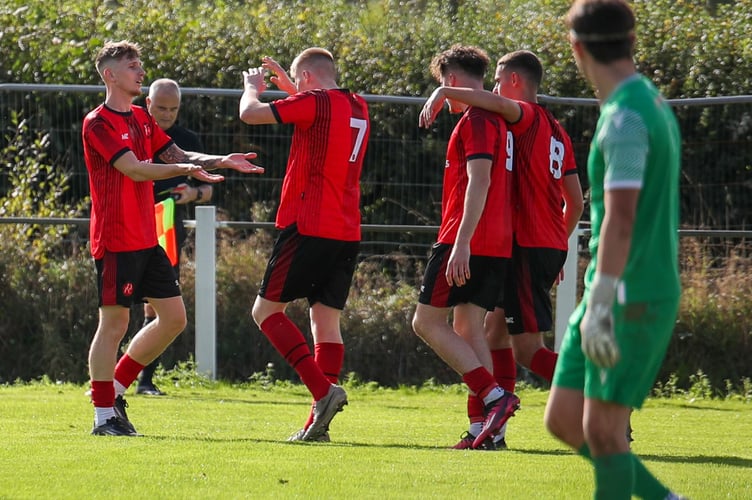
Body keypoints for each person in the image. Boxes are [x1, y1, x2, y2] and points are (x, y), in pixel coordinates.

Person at [83, 40, 264, 436]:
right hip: (116, 240)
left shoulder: (141, 119)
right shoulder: (97, 122)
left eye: (140, 64)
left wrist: (219, 161)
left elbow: (175, 154)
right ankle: (102, 418)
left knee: (173, 319)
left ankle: (112, 389)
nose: (140, 71)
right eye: (133, 66)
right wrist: (185, 167)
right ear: (110, 74)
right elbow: (136, 169)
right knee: (113, 325)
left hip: (147, 239)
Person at [544, 1, 684, 498]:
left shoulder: (625, 116)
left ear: (577, 49)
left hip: (628, 292)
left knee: (604, 432)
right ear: (631, 41)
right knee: (563, 420)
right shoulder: (648, 102)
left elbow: (621, 220)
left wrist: (602, 300)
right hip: (609, 291)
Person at [420, 51, 584, 448]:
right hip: (531, 244)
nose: (493, 88)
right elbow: (576, 202)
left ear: (513, 81)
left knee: (525, 348)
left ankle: (601, 394)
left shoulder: (519, 115)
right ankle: (488, 431)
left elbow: (482, 174)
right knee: (489, 332)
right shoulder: (556, 130)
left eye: (498, 80)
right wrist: (557, 246)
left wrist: (443, 90)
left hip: (517, 244)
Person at [238, 48, 370, 442]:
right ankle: (320, 420)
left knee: (265, 311)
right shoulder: (357, 105)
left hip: (310, 222)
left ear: (308, 79)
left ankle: (323, 392)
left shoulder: (312, 102)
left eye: (299, 84)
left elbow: (251, 113)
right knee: (325, 321)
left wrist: (252, 89)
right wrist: (290, 84)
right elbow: (320, 113)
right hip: (346, 228)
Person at [411, 44, 520, 450]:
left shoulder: (475, 121)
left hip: (467, 239)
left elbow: (480, 181)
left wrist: (461, 243)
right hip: (497, 243)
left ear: (451, 81)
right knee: (467, 327)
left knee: (425, 323)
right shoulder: (500, 118)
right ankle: (486, 431)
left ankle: (494, 398)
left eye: (442, 85)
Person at [135, 78, 214, 396]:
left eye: (174, 109)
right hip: (132, 225)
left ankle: (143, 381)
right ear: (148, 103)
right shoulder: (133, 133)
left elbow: (209, 189)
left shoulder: (186, 140)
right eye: (161, 108)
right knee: (116, 310)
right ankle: (111, 379)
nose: (167, 115)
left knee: (155, 309)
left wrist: (190, 195)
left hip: (167, 230)